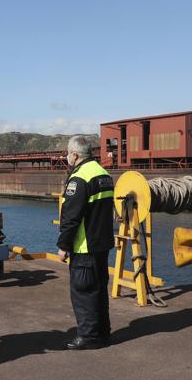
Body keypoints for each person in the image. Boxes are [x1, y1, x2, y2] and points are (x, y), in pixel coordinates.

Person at [57, 135, 114, 350]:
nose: (67, 158)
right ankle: (103, 333)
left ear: (74, 155)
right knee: (99, 290)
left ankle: (88, 336)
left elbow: (71, 218)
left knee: (83, 291)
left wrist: (63, 246)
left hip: (84, 246)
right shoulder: (104, 175)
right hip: (103, 244)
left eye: (68, 154)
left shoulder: (79, 179)